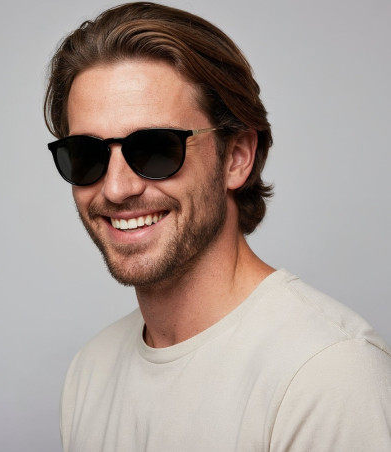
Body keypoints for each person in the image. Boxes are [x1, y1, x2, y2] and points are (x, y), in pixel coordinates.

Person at [44, 3, 391, 451]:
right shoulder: (90, 371)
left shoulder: (326, 375)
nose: (116, 188)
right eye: (86, 155)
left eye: (155, 149)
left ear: (236, 158)